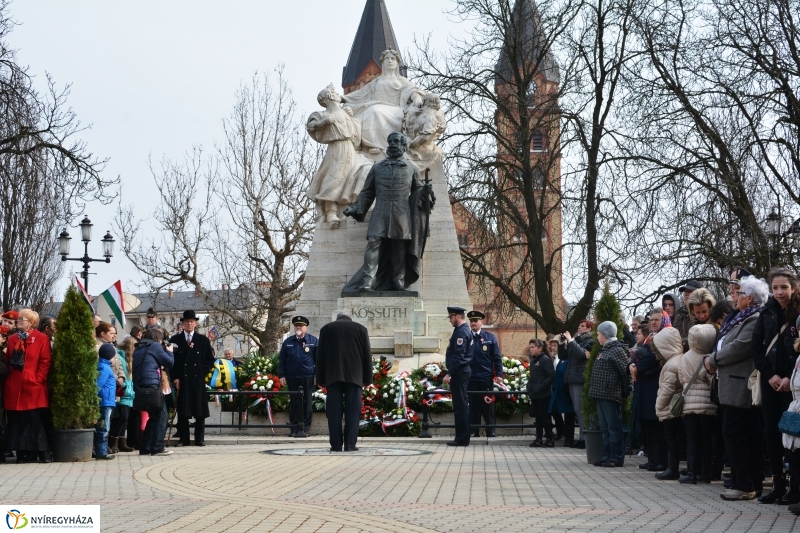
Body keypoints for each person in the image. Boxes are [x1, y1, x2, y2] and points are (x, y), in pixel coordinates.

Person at [342, 132, 434, 292]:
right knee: (373, 243)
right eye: (390, 141)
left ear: (403, 145)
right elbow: (367, 192)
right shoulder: (377, 167)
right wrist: (356, 208)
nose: (392, 144)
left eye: (396, 141)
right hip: (380, 212)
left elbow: (418, 191)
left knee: (399, 247)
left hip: (402, 214)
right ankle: (368, 281)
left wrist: (425, 192)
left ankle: (398, 281)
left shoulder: (411, 168)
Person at [706, 275, 766, 501]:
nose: (736, 296)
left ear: (749, 298)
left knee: (738, 435)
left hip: (740, 385)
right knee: (742, 435)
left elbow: (739, 347)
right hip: (732, 384)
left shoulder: (753, 318)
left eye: (740, 293)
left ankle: (745, 485)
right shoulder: (741, 317)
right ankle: (750, 483)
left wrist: (713, 359)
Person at [751, 268, 800, 505]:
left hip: (793, 387)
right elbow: (756, 349)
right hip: (770, 382)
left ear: (793, 287)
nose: (780, 292)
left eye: (784, 287)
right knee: (771, 432)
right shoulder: (766, 311)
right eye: (775, 288)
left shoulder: (798, 311)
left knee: (790, 432)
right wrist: (769, 375)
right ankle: (778, 484)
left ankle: (795, 486)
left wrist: (790, 377)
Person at [306, 83, 363, 226]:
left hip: (349, 148)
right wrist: (324, 122)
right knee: (334, 177)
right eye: (336, 94)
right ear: (330, 96)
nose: (339, 96)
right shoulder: (322, 114)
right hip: (336, 148)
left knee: (348, 176)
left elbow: (355, 132)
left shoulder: (345, 112)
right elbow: (311, 126)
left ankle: (343, 208)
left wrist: (351, 119)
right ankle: (330, 212)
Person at [315, 310, 372, 452]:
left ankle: (335, 445)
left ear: (337, 318)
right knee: (353, 413)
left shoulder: (326, 329)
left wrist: (321, 379)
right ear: (351, 318)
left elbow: (320, 356)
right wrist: (367, 379)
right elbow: (367, 355)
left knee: (334, 413)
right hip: (354, 376)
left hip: (333, 376)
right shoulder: (361, 329)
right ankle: (350, 444)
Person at [4, 309, 52, 463]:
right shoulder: (12, 339)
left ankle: (42, 452)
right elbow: (7, 360)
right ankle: (22, 453)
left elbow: (45, 361)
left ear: (31, 322)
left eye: (21, 318)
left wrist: (38, 379)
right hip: (15, 385)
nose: (18, 321)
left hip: (32, 385)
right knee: (17, 422)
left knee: (34, 421)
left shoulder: (41, 338)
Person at [678, 324, 718, 484]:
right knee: (707, 440)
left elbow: (681, 379)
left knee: (692, 439)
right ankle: (706, 473)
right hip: (707, 405)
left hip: (689, 403)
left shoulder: (685, 356)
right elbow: (712, 380)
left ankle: (692, 473)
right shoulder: (709, 358)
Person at [588, 321, 630, 467]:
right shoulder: (604, 350)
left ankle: (616, 457)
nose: (597, 337)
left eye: (598, 334)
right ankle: (606, 455)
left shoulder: (617, 350)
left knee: (614, 427)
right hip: (601, 394)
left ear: (605, 335)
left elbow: (625, 373)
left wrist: (625, 392)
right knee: (605, 428)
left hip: (611, 394)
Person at [170, 310, 215, 447]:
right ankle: (183, 439)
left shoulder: (203, 340)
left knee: (199, 411)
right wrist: (175, 377)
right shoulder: (175, 340)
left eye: (192, 321)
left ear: (195, 323)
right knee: (183, 411)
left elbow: (210, 359)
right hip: (182, 380)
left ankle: (199, 439)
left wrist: (202, 371)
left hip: (197, 380)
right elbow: (171, 361)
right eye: (187, 321)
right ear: (182, 323)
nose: (189, 324)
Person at [132, 328, 174, 456]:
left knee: (154, 416)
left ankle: (145, 448)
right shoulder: (154, 346)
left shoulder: (139, 348)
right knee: (162, 416)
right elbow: (169, 362)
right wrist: (170, 352)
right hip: (151, 386)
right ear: (157, 338)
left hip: (140, 387)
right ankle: (157, 447)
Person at [631, 324, 665, 472]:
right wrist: (633, 366)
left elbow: (648, 362)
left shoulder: (655, 349)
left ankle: (659, 461)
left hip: (652, 394)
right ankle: (652, 459)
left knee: (656, 431)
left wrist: (636, 368)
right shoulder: (641, 349)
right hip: (643, 393)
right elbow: (631, 364)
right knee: (647, 430)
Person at [278, 316, 318, 438]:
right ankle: (294, 427)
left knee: (307, 403)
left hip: (308, 376)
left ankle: (306, 428)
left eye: (301, 325)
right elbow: (282, 360)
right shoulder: (288, 342)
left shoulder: (313, 341)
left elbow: (319, 360)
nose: (298, 327)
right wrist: (282, 375)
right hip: (292, 376)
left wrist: (317, 375)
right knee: (294, 403)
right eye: (296, 326)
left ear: (306, 327)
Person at [652, 326, 684, 480]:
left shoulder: (671, 364)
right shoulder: (679, 359)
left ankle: (673, 468)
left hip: (671, 407)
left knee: (671, 439)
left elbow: (668, 389)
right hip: (675, 406)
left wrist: (659, 405)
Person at [466, 311, 502, 439]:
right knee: (473, 405)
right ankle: (474, 430)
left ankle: (490, 430)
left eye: (476, 321)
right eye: (471, 321)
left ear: (482, 322)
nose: (474, 323)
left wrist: (499, 374)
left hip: (486, 376)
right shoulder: (467, 337)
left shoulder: (489, 337)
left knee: (488, 404)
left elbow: (496, 357)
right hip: (471, 377)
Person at [559, 322, 593, 449]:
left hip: (580, 378)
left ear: (590, 328)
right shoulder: (576, 341)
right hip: (573, 377)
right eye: (579, 325)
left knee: (581, 409)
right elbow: (563, 356)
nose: (579, 327)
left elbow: (581, 354)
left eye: (583, 326)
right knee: (577, 409)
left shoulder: (591, 341)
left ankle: (584, 439)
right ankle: (582, 437)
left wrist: (571, 340)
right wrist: (562, 343)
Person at [442, 307, 472, 446]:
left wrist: (449, 373)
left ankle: (462, 438)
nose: (449, 320)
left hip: (459, 372)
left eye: (451, 317)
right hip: (461, 372)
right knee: (460, 405)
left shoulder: (461, 332)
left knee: (460, 406)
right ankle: (462, 437)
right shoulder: (461, 331)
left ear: (458, 316)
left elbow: (459, 356)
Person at [526, 339, 555, 447]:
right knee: (537, 417)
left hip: (543, 394)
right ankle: (538, 438)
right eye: (530, 347)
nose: (531, 349)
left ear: (540, 348)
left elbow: (551, 376)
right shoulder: (533, 360)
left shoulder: (545, 360)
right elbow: (533, 376)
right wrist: (530, 386)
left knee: (544, 417)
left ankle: (549, 438)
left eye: (533, 347)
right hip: (534, 393)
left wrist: (541, 387)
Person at [109, 336, 136, 453]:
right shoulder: (120, 358)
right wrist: (124, 386)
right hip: (123, 393)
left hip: (129, 394)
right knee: (121, 418)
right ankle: (113, 442)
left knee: (124, 419)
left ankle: (121, 442)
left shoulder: (129, 360)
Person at [548, 340, 574, 447]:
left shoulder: (566, 360)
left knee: (569, 415)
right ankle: (560, 432)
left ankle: (568, 439)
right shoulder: (553, 359)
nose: (553, 348)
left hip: (565, 390)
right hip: (556, 389)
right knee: (553, 410)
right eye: (552, 346)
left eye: (556, 346)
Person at [95, 343, 118, 460]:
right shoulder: (104, 368)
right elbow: (98, 384)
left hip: (107, 401)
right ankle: (101, 452)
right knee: (104, 428)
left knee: (104, 427)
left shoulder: (104, 366)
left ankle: (101, 450)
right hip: (105, 402)